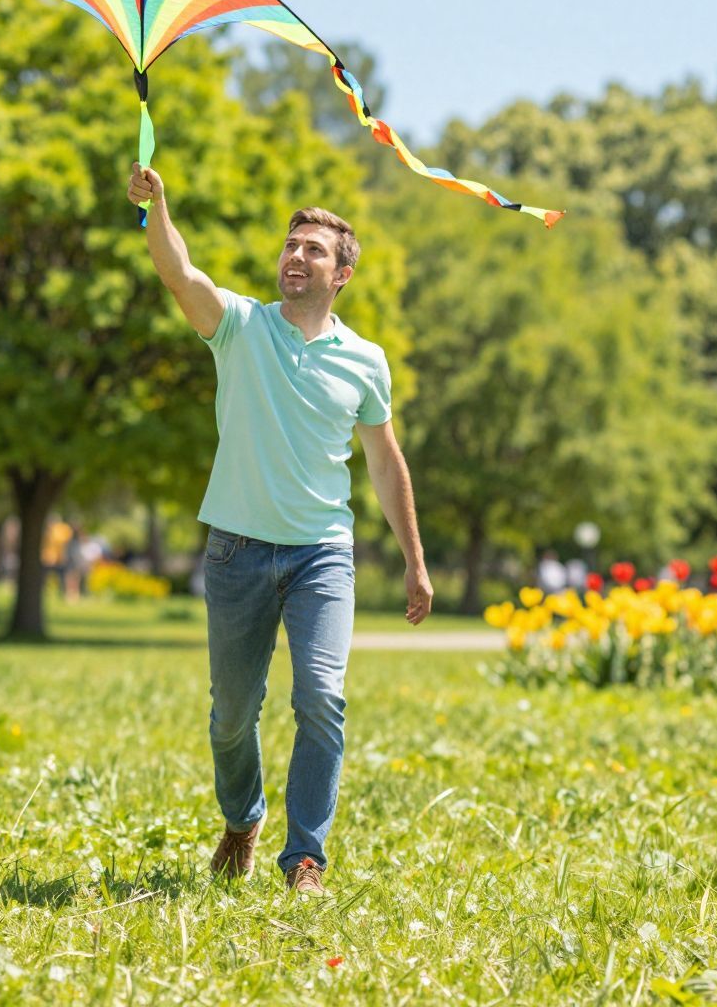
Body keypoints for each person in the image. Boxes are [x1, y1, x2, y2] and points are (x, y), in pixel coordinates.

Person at [129, 162, 433, 898]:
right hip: (235, 549)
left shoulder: (365, 361)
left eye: (314, 250)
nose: (296, 256)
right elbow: (180, 275)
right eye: (291, 246)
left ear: (342, 274)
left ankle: (306, 858)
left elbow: (387, 465)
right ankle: (242, 819)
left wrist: (415, 562)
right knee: (232, 716)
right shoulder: (241, 325)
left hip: (321, 554)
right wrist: (159, 206)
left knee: (321, 696)